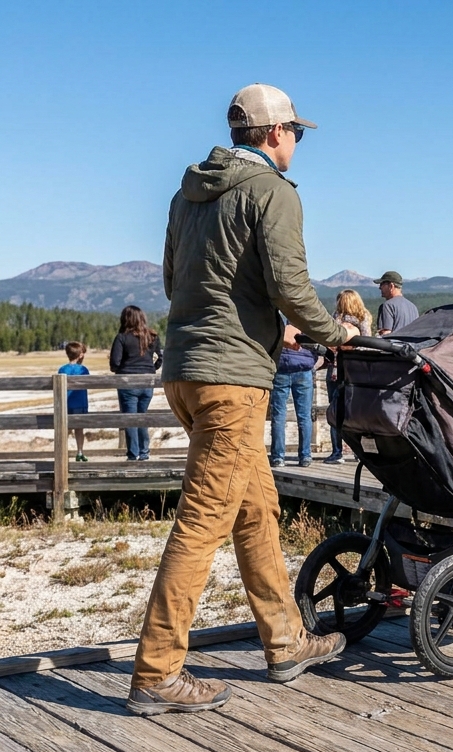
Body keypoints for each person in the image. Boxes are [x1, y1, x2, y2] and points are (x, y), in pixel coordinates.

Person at [127, 83, 352, 716]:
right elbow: (290, 283)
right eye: (296, 133)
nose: (298, 143)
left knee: (257, 509)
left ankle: (284, 643)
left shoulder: (186, 193)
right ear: (276, 133)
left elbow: (175, 280)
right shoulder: (272, 193)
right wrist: (334, 334)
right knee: (202, 523)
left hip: (184, 370)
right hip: (233, 380)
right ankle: (157, 672)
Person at [323, 290, 372, 464]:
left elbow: (328, 343)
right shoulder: (364, 318)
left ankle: (337, 452)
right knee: (357, 412)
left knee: (335, 411)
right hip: (356, 371)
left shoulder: (335, 319)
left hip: (336, 370)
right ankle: (360, 452)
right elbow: (367, 344)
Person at [111, 305, 162, 461]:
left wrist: (121, 370)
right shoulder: (152, 337)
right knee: (142, 416)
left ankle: (133, 454)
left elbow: (114, 362)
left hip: (128, 382)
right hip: (147, 382)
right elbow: (161, 358)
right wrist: (151, 369)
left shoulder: (122, 337)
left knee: (130, 419)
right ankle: (144, 452)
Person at [270, 325, 317, 468]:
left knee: (278, 415)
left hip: (281, 368)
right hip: (303, 368)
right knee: (304, 416)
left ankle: (278, 457)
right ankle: (305, 456)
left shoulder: (277, 319)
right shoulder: (305, 320)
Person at [59, 341, 90, 462]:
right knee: (79, 429)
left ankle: (62, 452)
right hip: (80, 403)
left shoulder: (62, 369)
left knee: (65, 430)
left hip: (65, 403)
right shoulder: (83, 370)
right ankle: (80, 451)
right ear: (80, 355)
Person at [374, 271, 418, 335]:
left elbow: (385, 333)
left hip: (395, 344)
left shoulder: (387, 306)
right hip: (412, 344)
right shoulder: (413, 307)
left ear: (391, 286)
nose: (380, 287)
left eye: (382, 284)